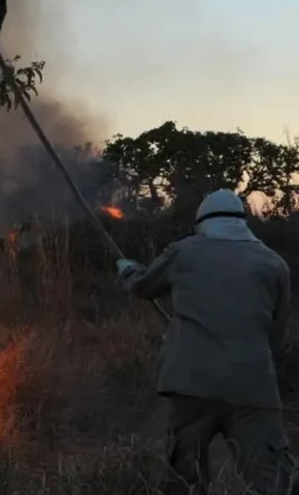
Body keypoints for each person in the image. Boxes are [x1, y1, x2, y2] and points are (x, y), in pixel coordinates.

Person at [117, 188, 296, 495]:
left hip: (191, 385)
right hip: (252, 387)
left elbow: (144, 287)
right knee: (274, 479)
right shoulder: (274, 263)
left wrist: (128, 270)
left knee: (186, 478)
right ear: (243, 221)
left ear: (202, 222)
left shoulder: (183, 252)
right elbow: (276, 337)